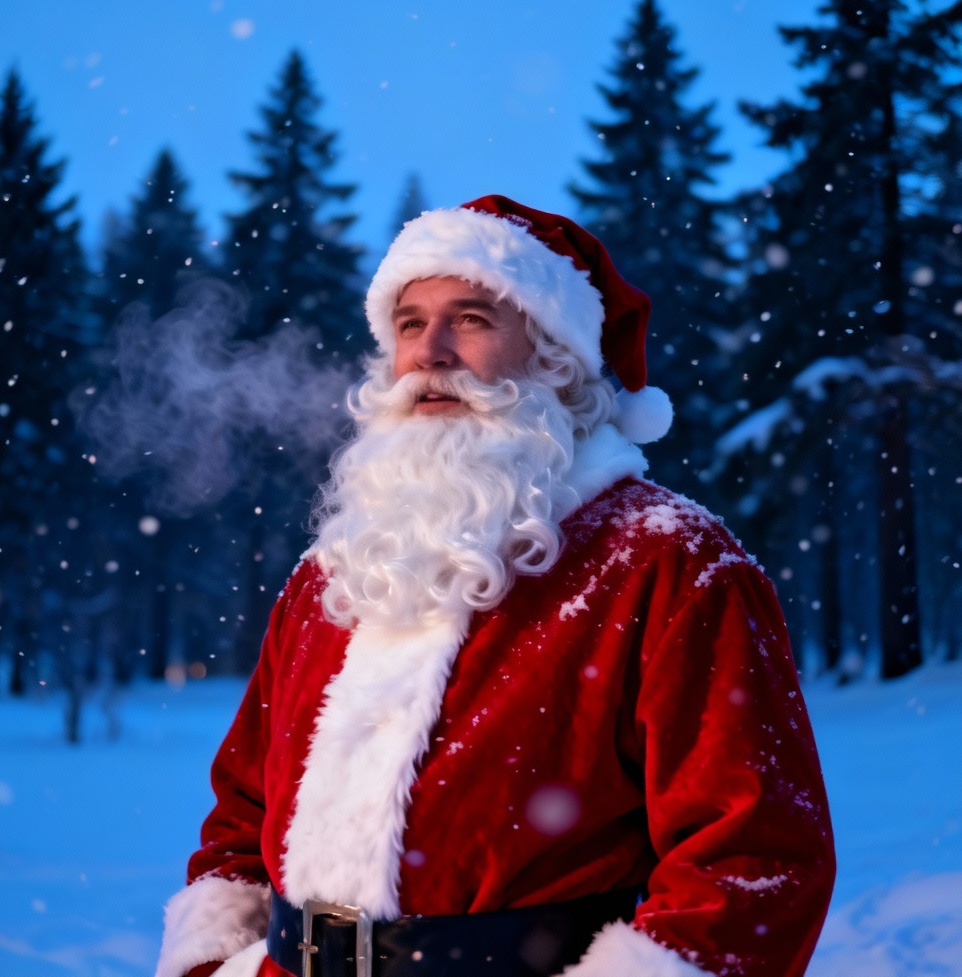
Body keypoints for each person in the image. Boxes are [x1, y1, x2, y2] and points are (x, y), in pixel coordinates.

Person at [154, 195, 836, 977]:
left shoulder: (667, 562)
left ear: (555, 356)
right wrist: (212, 959)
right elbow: (242, 813)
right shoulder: (334, 570)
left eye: (472, 318)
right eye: (409, 323)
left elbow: (753, 861)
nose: (431, 352)